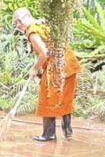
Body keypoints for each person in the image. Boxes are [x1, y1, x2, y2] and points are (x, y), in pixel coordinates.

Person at [13, 7, 81, 142]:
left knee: (47, 97)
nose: (18, 26)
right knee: (65, 96)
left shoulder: (32, 31)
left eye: (17, 22)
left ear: (24, 18)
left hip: (57, 66)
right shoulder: (43, 24)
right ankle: (67, 129)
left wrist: (35, 68)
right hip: (68, 63)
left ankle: (48, 133)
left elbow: (45, 53)